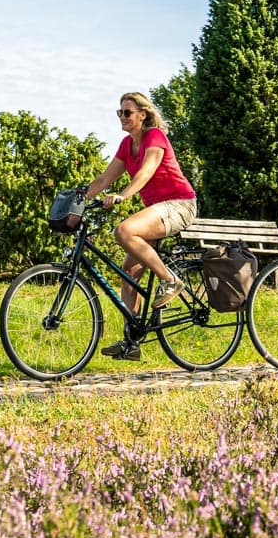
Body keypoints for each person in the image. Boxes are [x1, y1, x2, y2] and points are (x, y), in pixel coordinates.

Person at [80, 90, 198, 361]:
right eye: (119, 112)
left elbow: (146, 171)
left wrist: (124, 195)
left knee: (124, 230)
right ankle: (132, 341)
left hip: (179, 204)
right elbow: (103, 180)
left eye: (127, 112)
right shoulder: (126, 145)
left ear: (142, 115)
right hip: (156, 210)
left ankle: (171, 280)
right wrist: (77, 198)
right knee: (129, 272)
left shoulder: (155, 136)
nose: (122, 116)